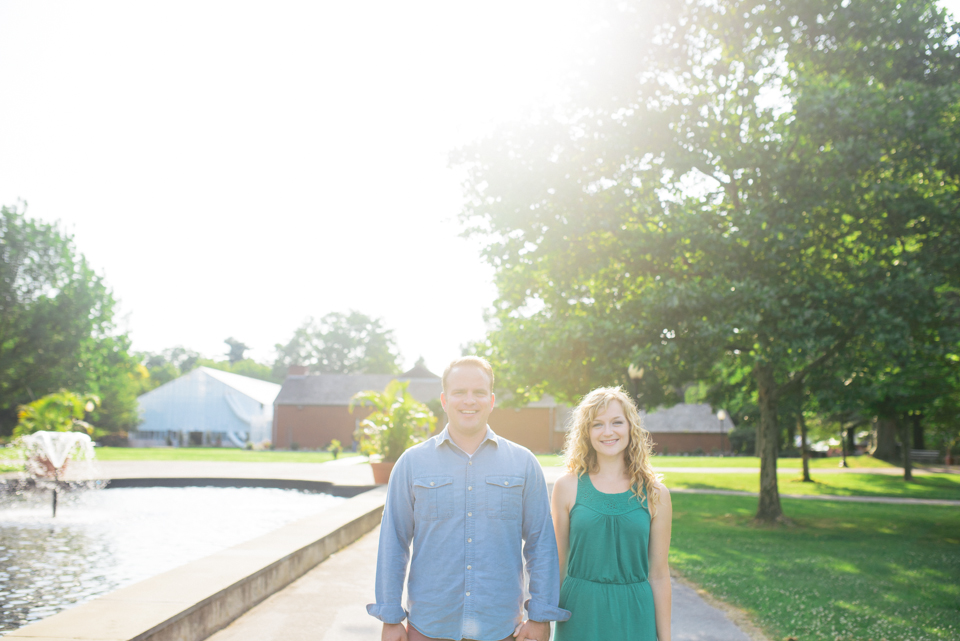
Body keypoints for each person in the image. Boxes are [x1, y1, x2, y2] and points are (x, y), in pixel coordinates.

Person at [367, 356, 570, 641]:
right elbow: (393, 543)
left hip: (501, 628)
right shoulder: (411, 463)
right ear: (444, 399)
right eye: (459, 392)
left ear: (491, 400)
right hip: (429, 627)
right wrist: (390, 618)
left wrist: (540, 616)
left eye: (479, 392)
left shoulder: (523, 463)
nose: (469, 400)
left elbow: (541, 544)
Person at [550, 386, 672, 641]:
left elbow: (659, 575)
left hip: (635, 615)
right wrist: (541, 620)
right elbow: (557, 565)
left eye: (617, 422)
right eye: (597, 424)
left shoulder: (655, 494)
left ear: (630, 427)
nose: (608, 432)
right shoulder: (567, 487)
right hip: (580, 614)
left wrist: (666, 638)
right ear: (586, 432)